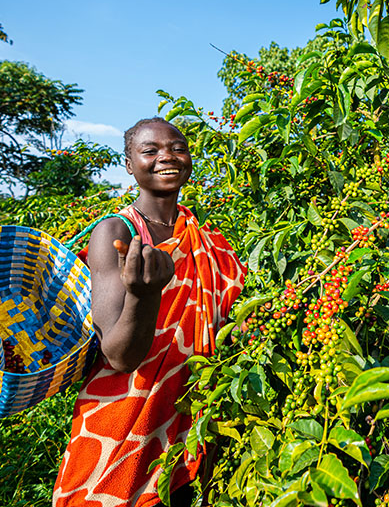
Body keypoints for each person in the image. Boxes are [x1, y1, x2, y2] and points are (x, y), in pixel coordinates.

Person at [53, 118, 246, 507]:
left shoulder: (209, 241)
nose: (167, 157)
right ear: (129, 164)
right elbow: (119, 356)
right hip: (122, 420)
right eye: (150, 150)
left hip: (191, 421)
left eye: (177, 147)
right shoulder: (115, 233)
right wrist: (144, 295)